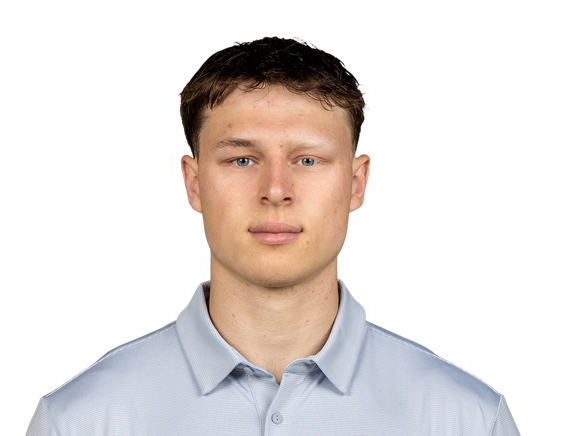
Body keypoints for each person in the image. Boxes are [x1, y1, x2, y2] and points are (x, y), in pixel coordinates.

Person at [26, 36, 521, 435]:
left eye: (307, 159)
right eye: (242, 159)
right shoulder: (81, 420)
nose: (276, 190)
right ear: (193, 184)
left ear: (356, 183)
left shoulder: (466, 419)